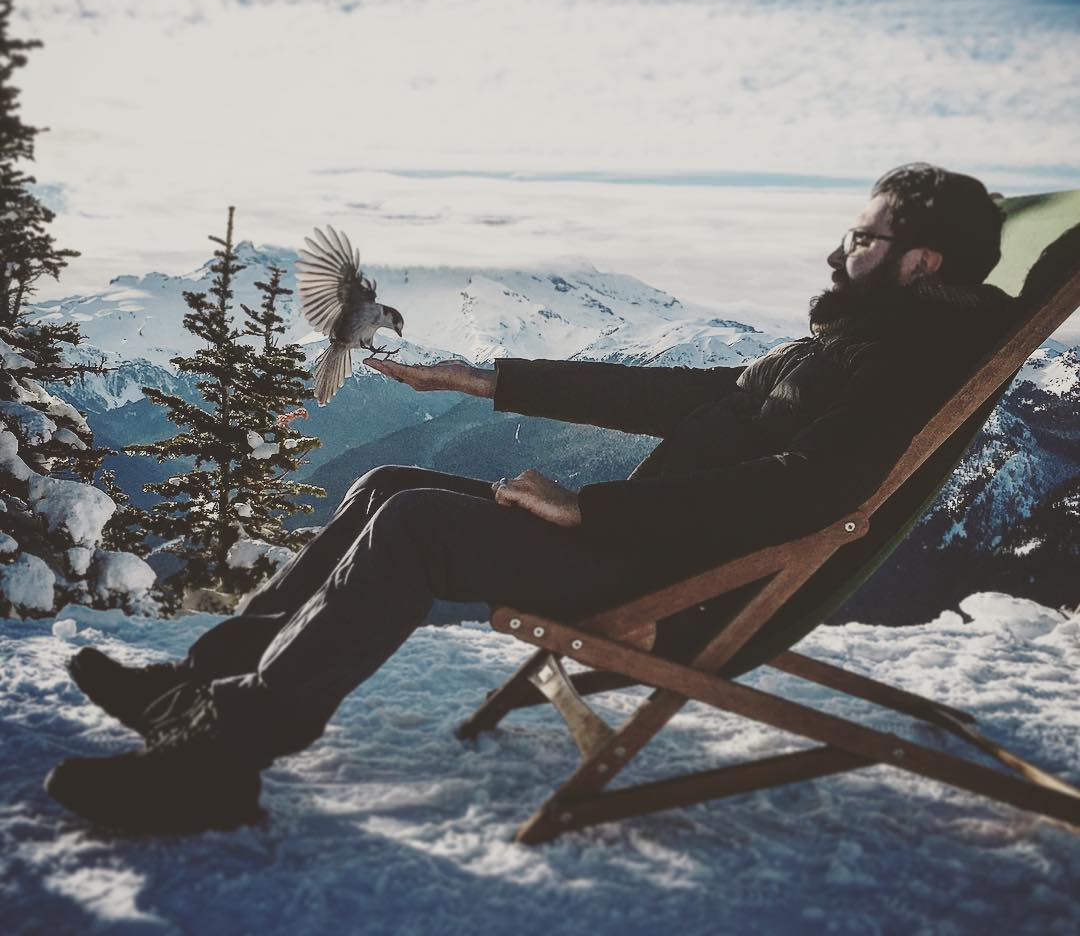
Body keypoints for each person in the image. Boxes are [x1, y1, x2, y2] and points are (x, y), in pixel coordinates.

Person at [45, 162, 1015, 832]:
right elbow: (684, 394)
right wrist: (490, 381)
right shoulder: (859, 340)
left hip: (679, 584)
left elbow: (810, 495)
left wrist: (593, 512)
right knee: (390, 479)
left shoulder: (896, 358)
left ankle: (224, 757)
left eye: (862, 234)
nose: (839, 249)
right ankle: (199, 691)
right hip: (658, 550)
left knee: (418, 525)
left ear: (921, 260)